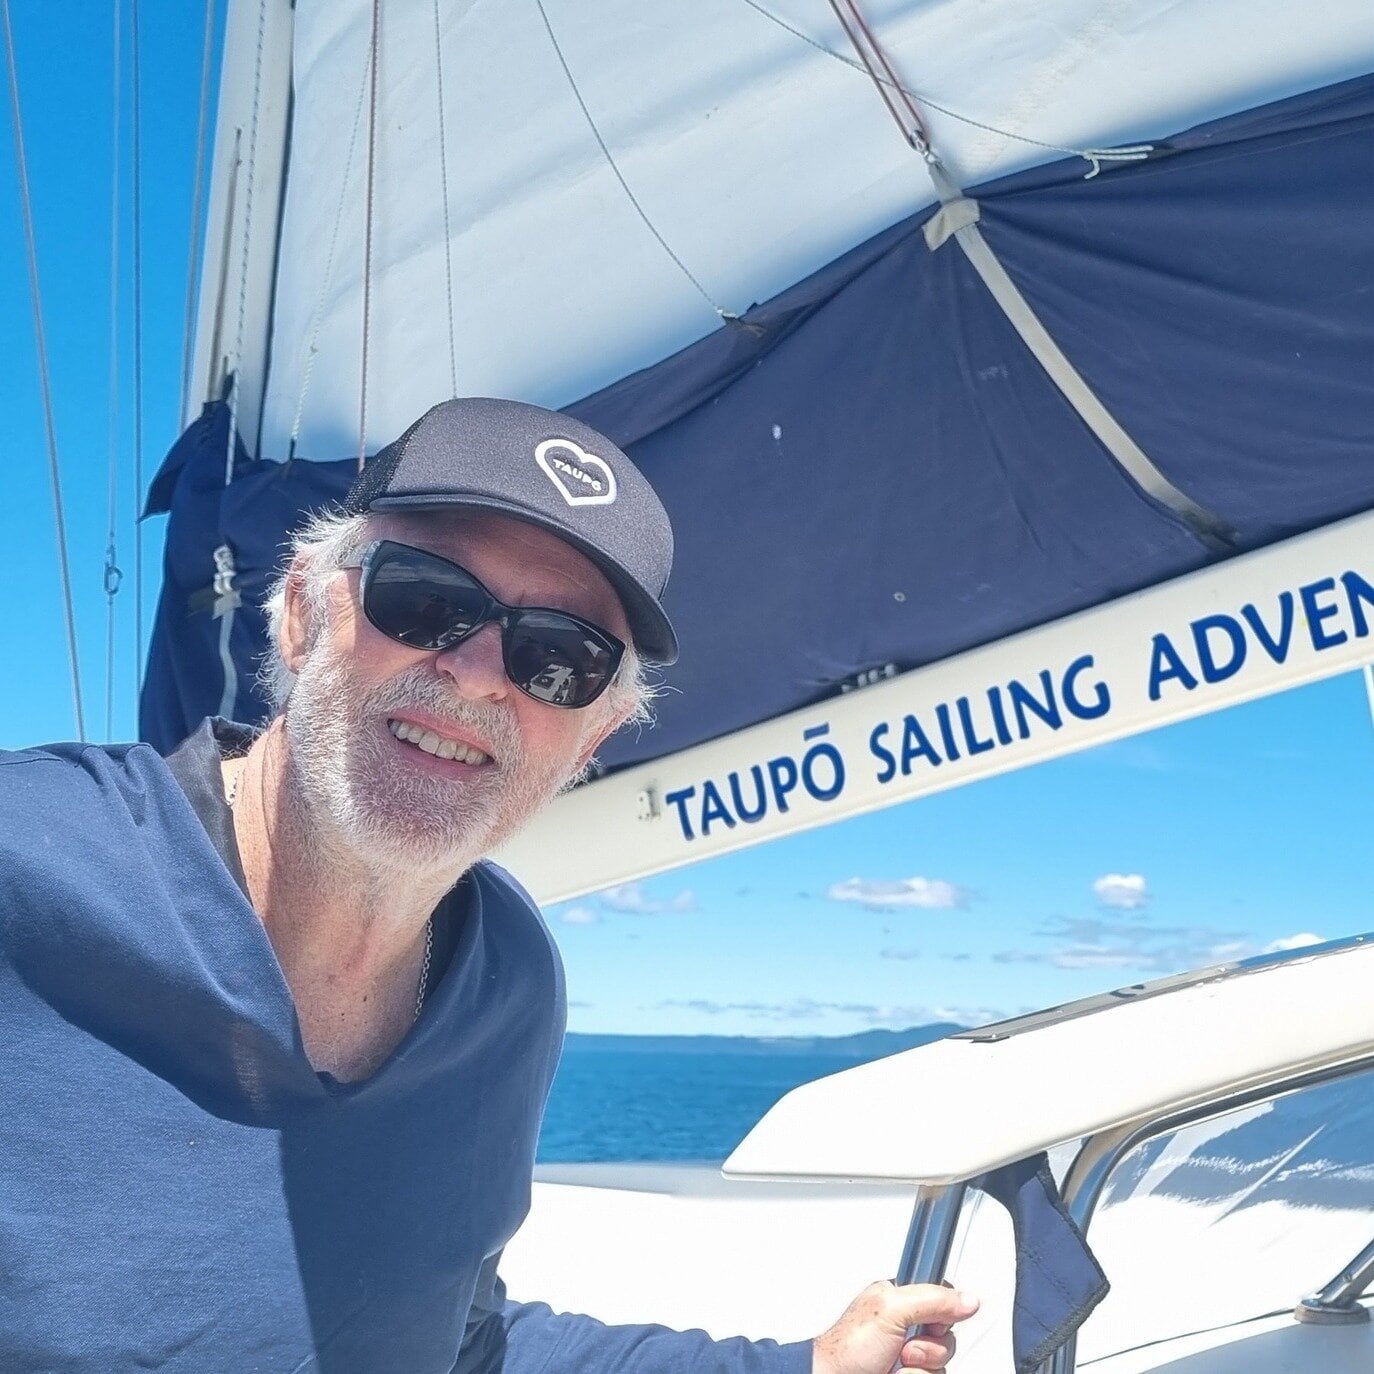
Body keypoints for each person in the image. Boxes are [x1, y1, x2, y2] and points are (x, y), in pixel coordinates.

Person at [0, 398, 978, 1372]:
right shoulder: (27, 865)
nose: (475, 674)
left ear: (590, 741)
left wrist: (804, 1366)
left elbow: (452, 1338)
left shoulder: (508, 978)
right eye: (425, 599)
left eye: (559, 658)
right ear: (302, 613)